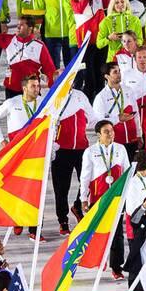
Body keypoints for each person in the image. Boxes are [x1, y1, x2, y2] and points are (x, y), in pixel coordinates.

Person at [79, 120, 131, 279]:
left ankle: (117, 267)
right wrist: (83, 198)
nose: (111, 134)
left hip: (116, 197)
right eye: (106, 131)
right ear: (98, 135)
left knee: (116, 234)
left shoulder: (120, 149)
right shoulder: (90, 151)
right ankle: (101, 259)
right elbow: (85, 176)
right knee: (99, 232)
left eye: (112, 130)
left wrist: (127, 195)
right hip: (98, 197)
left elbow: (127, 172)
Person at [52, 86, 98, 234]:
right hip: (61, 149)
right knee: (61, 187)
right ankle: (63, 220)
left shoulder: (80, 95)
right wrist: (53, 144)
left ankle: (78, 206)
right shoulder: (53, 98)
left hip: (81, 147)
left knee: (88, 181)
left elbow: (92, 118)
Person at [93, 63, 141, 159]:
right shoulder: (101, 97)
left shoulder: (128, 90)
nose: (119, 74)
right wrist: (117, 119)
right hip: (114, 142)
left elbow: (136, 114)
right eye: (115, 72)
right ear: (107, 76)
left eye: (119, 71)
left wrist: (139, 134)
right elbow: (98, 122)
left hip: (132, 139)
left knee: (132, 171)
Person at [0, 75, 43, 144]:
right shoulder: (12, 102)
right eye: (33, 86)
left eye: (38, 86)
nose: (36, 89)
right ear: (24, 89)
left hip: (37, 145)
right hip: (18, 147)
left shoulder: (43, 102)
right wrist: (1, 140)